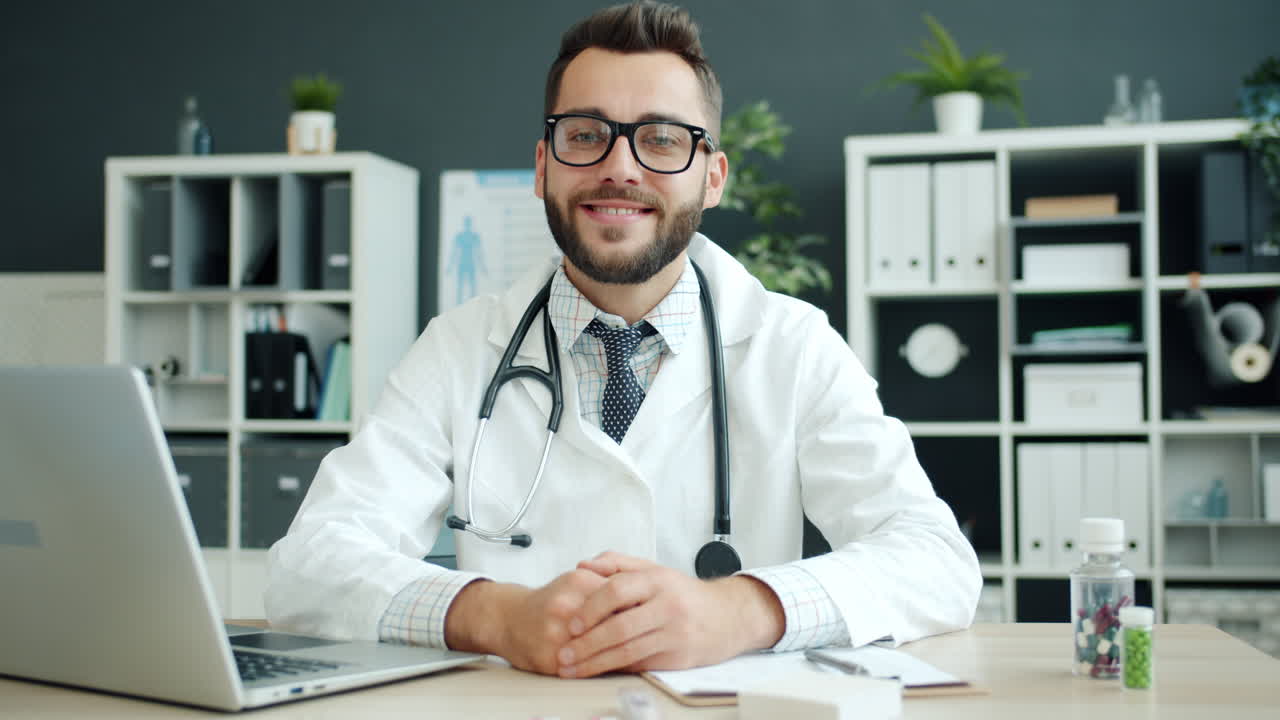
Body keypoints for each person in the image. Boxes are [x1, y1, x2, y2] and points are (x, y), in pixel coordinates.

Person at [267, 0, 980, 679]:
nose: (621, 166)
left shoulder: (793, 346)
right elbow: (308, 565)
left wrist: (739, 610)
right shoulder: (460, 348)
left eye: (663, 139)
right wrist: (492, 615)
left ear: (713, 178)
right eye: (585, 134)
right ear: (543, 163)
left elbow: (935, 560)